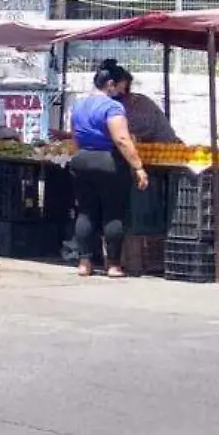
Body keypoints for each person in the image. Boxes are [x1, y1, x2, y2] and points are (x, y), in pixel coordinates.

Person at [70, 61, 151, 278]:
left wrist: (82, 156)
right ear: (111, 84)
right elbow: (122, 139)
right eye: (122, 87)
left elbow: (75, 138)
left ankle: (84, 263)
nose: (123, 92)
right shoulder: (112, 107)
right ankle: (113, 264)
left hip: (81, 160)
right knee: (113, 213)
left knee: (86, 212)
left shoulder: (79, 105)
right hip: (108, 162)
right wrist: (138, 167)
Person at [105, 61, 181, 145]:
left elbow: (125, 138)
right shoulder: (104, 105)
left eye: (125, 91)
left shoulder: (140, 104)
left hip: (160, 148)